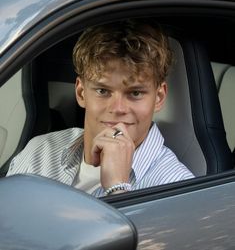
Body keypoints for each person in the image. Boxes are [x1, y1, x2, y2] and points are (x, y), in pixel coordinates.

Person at [7, 19, 194, 197]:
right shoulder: (39, 152)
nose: (118, 108)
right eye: (103, 91)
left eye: (135, 93)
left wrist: (118, 188)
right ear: (81, 93)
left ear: (159, 97)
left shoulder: (178, 186)